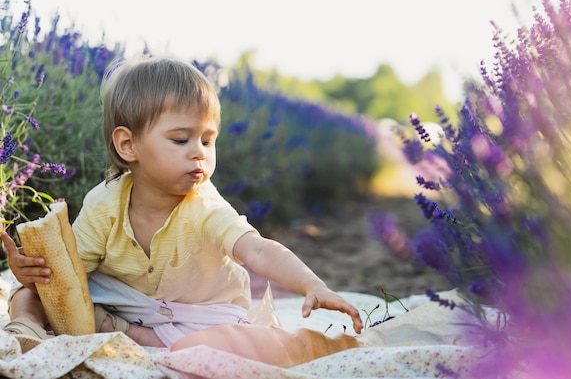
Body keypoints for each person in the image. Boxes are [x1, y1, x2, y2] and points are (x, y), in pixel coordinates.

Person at [2, 56, 364, 365]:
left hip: (201, 314)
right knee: (28, 292)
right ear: (128, 145)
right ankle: (27, 331)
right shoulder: (106, 203)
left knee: (213, 348)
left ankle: (150, 340)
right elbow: (71, 274)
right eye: (181, 139)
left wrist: (312, 285)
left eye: (208, 140)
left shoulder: (203, 205)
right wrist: (33, 273)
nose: (200, 152)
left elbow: (257, 248)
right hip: (126, 305)